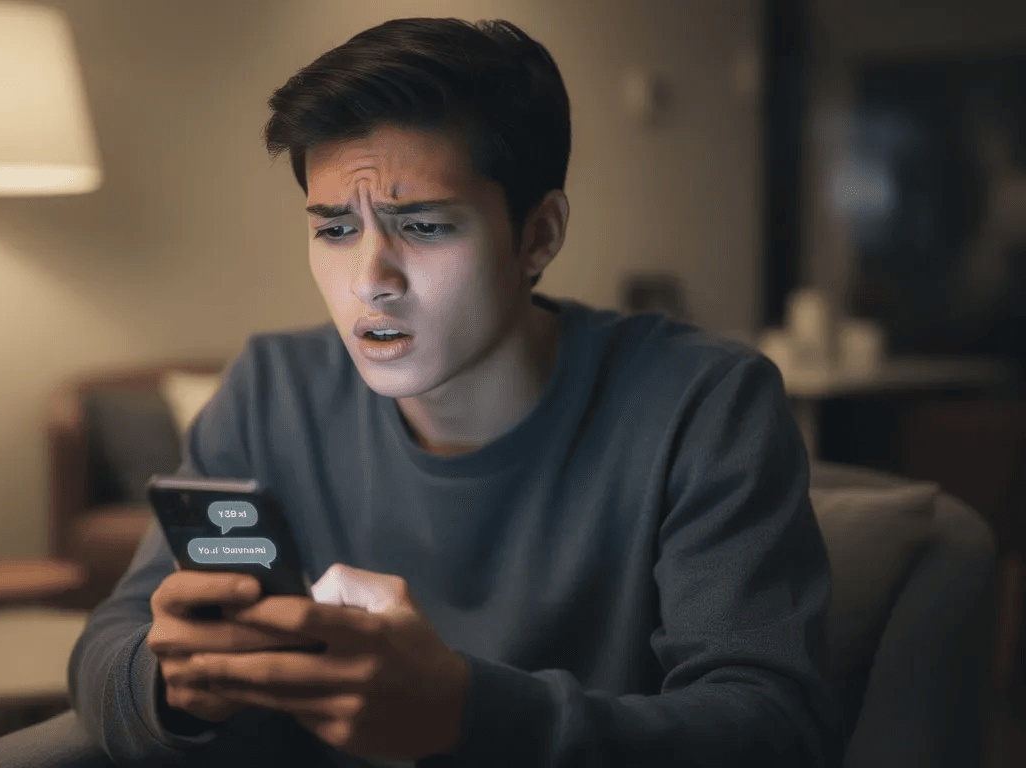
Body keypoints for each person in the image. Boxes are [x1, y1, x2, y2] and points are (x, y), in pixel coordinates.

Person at [68, 16, 843, 768]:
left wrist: (467, 714)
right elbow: (110, 644)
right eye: (335, 229)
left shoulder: (703, 403)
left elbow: (774, 729)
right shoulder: (271, 389)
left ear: (538, 235)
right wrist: (173, 684)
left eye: (425, 227)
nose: (371, 280)